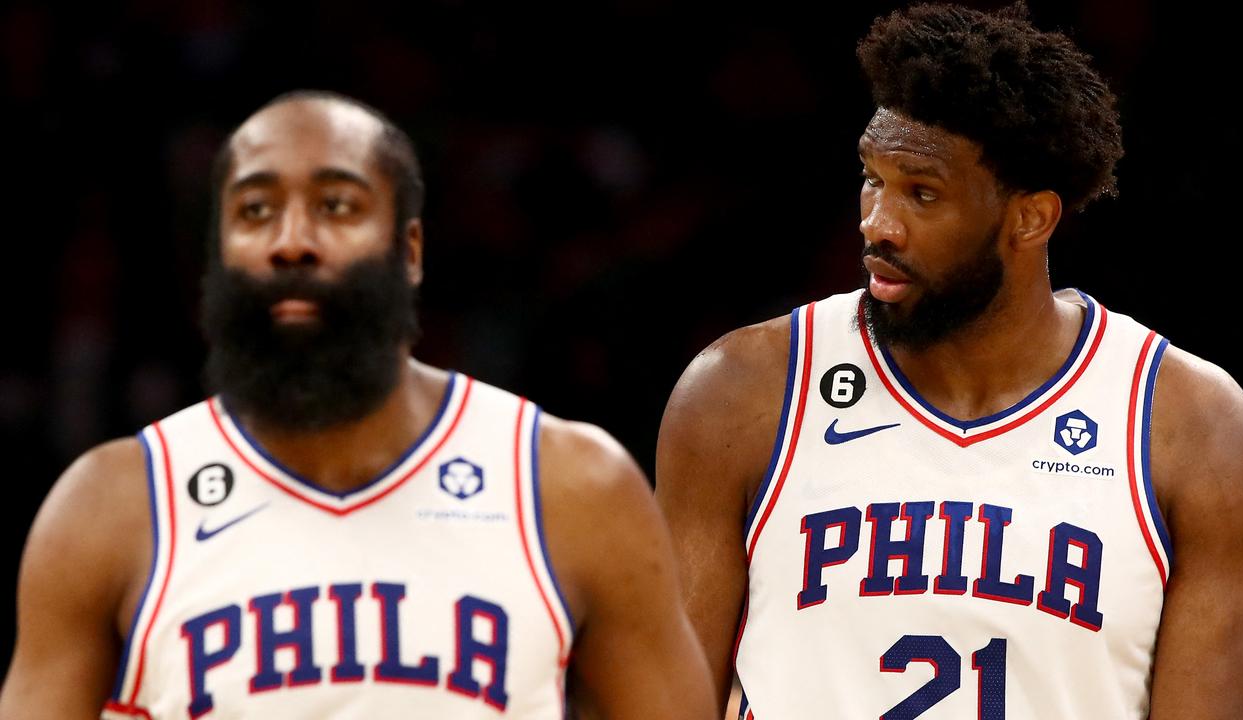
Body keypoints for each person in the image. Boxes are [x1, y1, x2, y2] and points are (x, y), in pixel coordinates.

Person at [0, 91, 716, 719]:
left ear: (409, 250)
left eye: (336, 204)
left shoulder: (570, 486)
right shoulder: (110, 507)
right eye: (255, 211)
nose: (292, 241)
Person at [655, 4, 1243, 718]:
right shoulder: (744, 392)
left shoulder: (1192, 427)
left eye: (922, 193)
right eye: (871, 178)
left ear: (1031, 217)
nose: (878, 223)